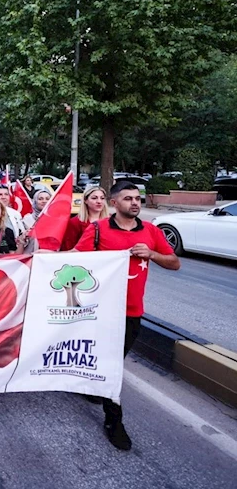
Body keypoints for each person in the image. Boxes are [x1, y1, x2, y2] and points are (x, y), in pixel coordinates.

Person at [75, 180, 180, 451]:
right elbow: (75, 260)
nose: (135, 202)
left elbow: (174, 263)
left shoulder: (151, 231)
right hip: (99, 311)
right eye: (128, 198)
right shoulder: (97, 229)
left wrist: (152, 254)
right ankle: (114, 421)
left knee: (111, 362)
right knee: (111, 366)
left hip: (132, 312)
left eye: (137, 198)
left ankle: (93, 385)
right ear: (114, 203)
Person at [61, 186, 109, 251]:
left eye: (102, 198)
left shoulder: (111, 221)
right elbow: (67, 248)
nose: (99, 201)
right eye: (94, 198)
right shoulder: (75, 222)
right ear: (85, 200)